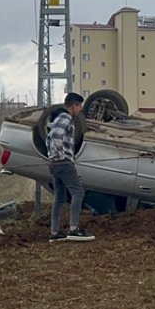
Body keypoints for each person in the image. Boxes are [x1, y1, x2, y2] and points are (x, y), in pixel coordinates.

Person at [48, 92, 95, 242]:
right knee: (78, 193)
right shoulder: (65, 118)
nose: (80, 109)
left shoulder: (57, 118)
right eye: (79, 106)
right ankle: (74, 229)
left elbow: (49, 137)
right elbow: (55, 137)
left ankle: (55, 232)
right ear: (74, 105)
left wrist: (54, 158)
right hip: (63, 162)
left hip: (54, 164)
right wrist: (60, 157)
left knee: (60, 198)